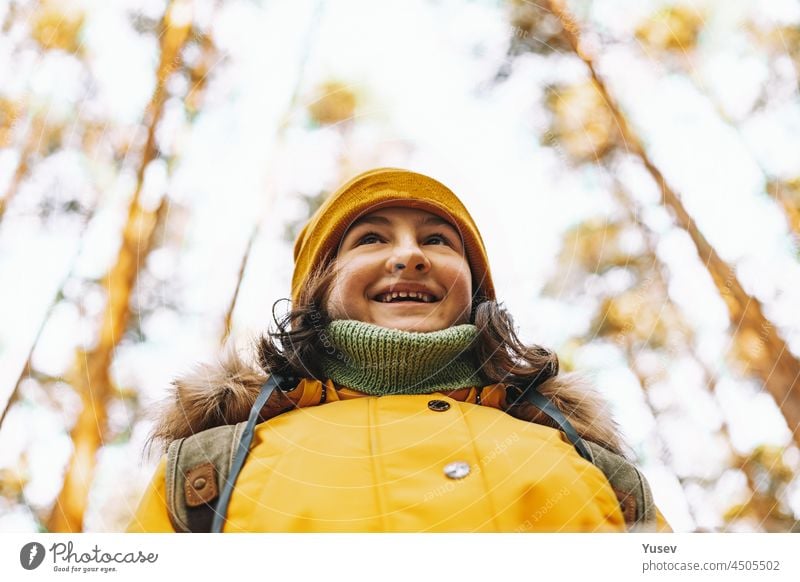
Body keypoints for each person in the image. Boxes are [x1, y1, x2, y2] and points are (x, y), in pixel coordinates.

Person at [127, 167, 671, 533]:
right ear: (317, 287)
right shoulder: (212, 468)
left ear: (476, 291)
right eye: (372, 239)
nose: (410, 257)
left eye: (437, 240)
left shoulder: (583, 462)